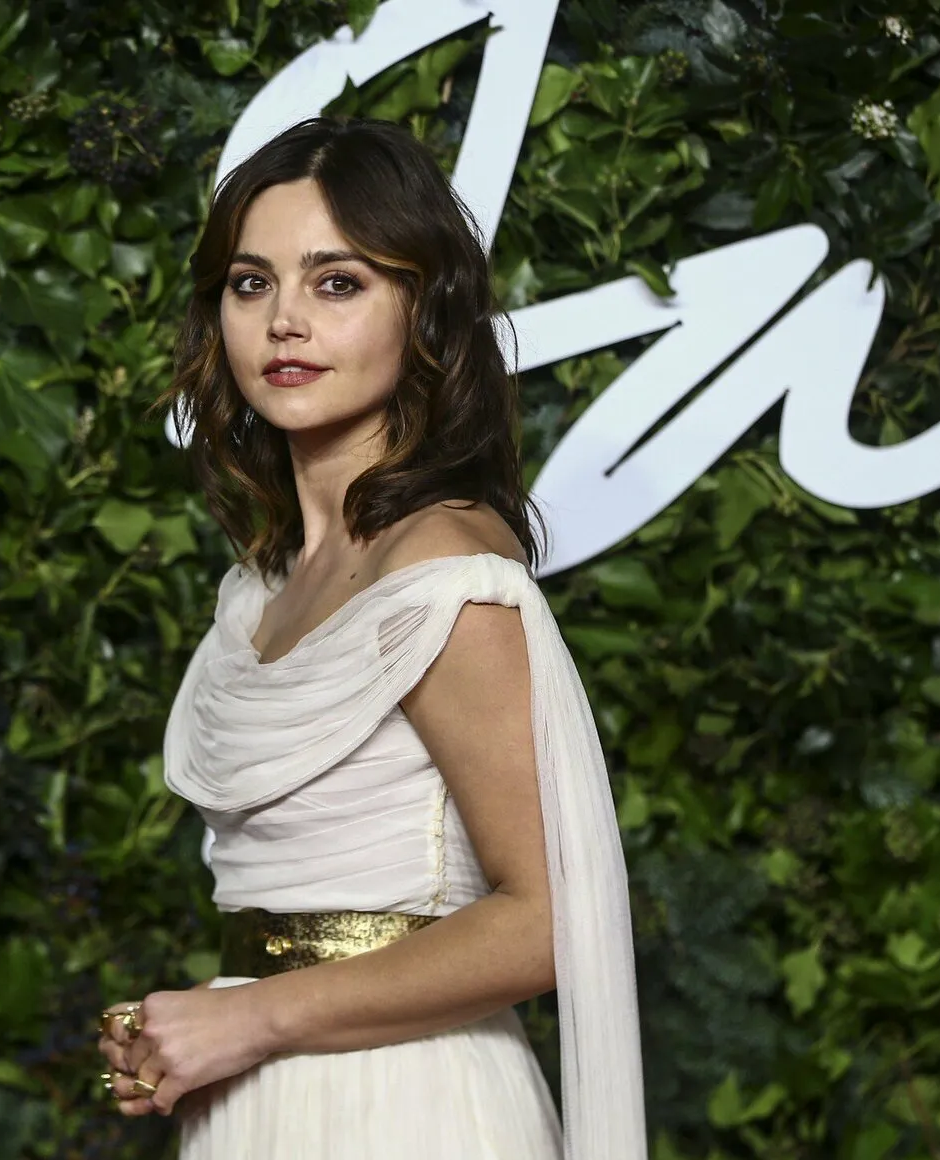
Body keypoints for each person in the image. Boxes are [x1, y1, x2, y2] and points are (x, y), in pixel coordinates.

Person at [96, 115, 647, 1159]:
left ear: (423, 312)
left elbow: (551, 921)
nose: (284, 321)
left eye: (337, 282)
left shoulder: (444, 570)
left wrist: (251, 1018)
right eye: (251, 283)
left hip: (410, 1106)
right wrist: (194, 1029)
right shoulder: (268, 584)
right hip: (263, 1102)